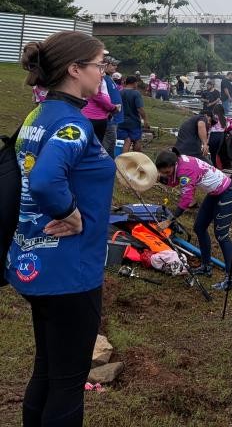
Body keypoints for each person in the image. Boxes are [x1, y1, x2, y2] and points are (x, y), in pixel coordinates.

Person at [8, 31, 116, 427]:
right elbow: (45, 179)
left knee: (48, 369)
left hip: (33, 259)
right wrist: (71, 212)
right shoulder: (74, 124)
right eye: (100, 63)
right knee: (69, 382)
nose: (105, 71)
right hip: (71, 270)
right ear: (75, 70)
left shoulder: (38, 115)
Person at [155, 149, 232, 290]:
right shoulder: (178, 162)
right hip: (214, 192)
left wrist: (170, 220)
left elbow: (186, 199)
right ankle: (206, 266)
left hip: (227, 192)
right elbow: (174, 180)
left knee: (222, 235)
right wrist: (160, 178)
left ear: (174, 164)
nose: (165, 175)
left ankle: (230, 277)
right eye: (163, 172)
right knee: (199, 228)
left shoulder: (185, 170)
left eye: (167, 172)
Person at [81, 55, 117, 141]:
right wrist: (112, 107)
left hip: (97, 116)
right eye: (101, 64)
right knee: (93, 143)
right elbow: (97, 95)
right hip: (94, 117)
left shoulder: (102, 77)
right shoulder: (96, 77)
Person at [117, 75, 149, 153]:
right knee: (137, 140)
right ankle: (135, 159)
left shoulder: (119, 92)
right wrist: (145, 120)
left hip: (121, 122)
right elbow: (140, 109)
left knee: (126, 141)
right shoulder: (136, 94)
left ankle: (124, 160)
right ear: (134, 83)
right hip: (133, 122)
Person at [101, 55, 123, 155]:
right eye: (113, 65)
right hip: (110, 118)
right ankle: (104, 164)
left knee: (111, 142)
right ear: (105, 65)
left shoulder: (109, 78)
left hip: (114, 117)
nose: (115, 67)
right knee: (108, 144)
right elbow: (101, 97)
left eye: (116, 65)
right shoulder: (103, 78)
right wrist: (110, 111)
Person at [207, 103, 229, 169]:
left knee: (213, 152)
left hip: (213, 135)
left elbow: (209, 127)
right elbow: (226, 127)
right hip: (221, 136)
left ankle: (214, 166)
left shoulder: (213, 117)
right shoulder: (225, 118)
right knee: (219, 152)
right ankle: (222, 165)